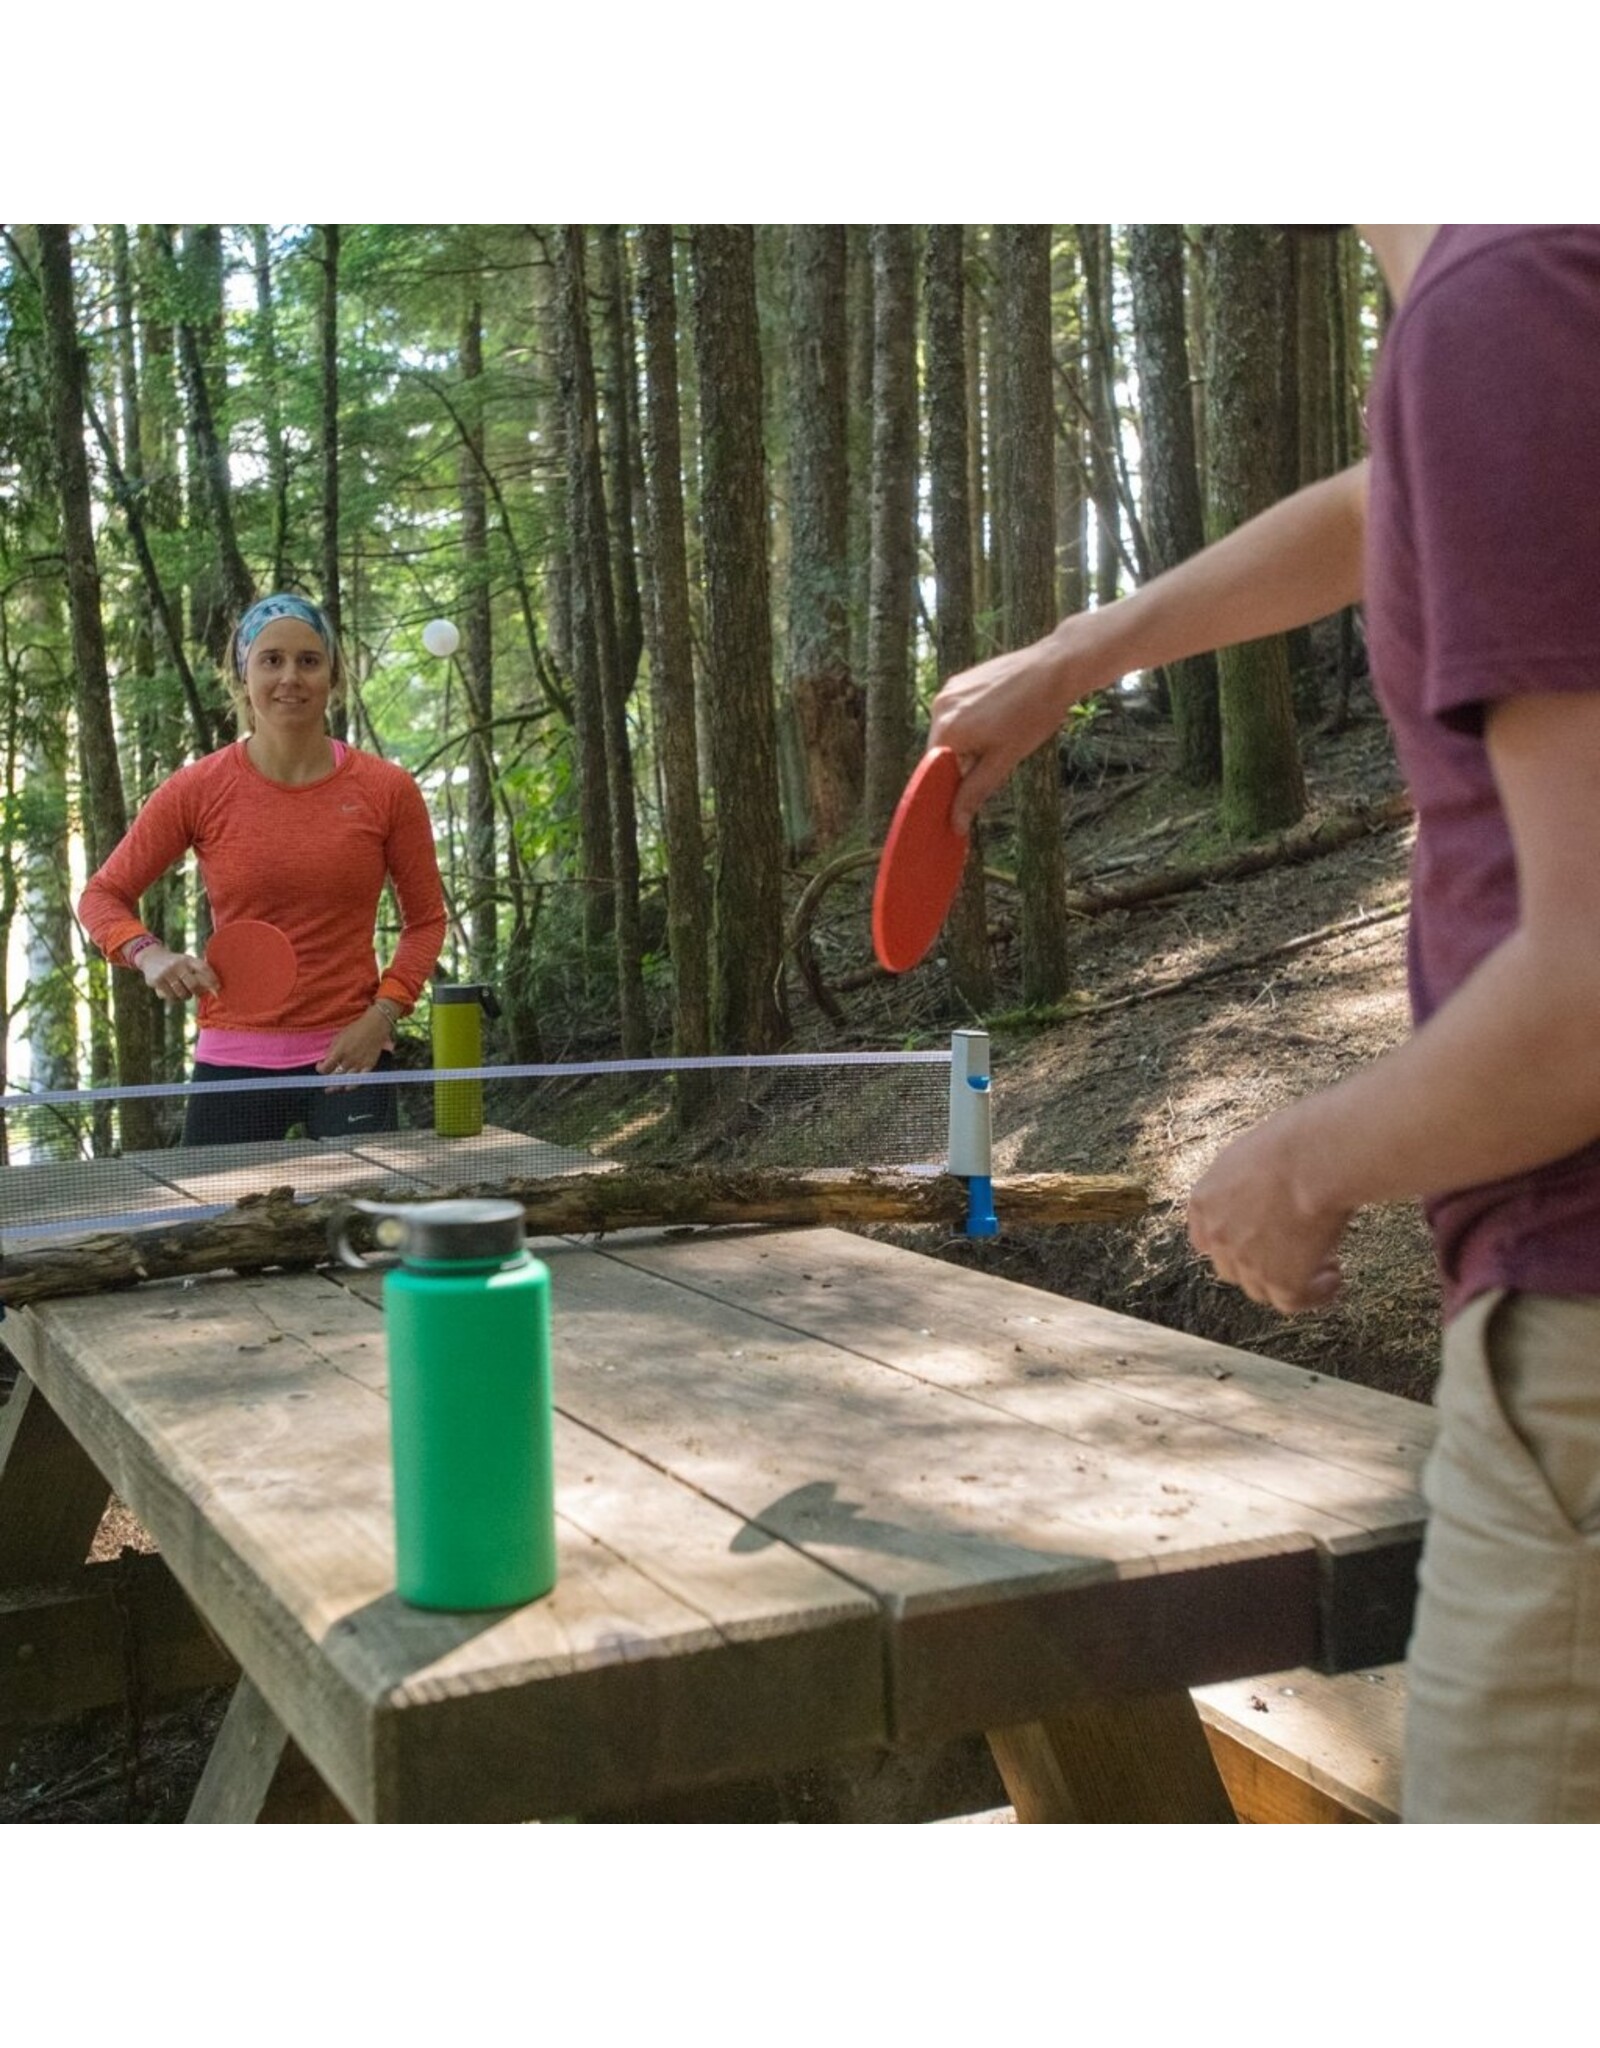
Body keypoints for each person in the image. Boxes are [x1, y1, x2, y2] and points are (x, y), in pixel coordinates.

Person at [929, 225, 1600, 1823]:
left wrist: (1302, 1163)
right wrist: (1081, 655)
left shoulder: (1509, 281)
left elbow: (1584, 991)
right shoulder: (1534, 297)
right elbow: (1409, 504)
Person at [79, 593, 447, 1147]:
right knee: (212, 1229)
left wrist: (382, 1018)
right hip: (233, 1059)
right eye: (271, 660)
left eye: (308, 660)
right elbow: (102, 895)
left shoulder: (387, 790)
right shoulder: (198, 789)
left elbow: (425, 921)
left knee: (361, 1227)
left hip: (350, 1057)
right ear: (243, 676)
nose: (290, 677)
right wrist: (148, 953)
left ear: (332, 674)